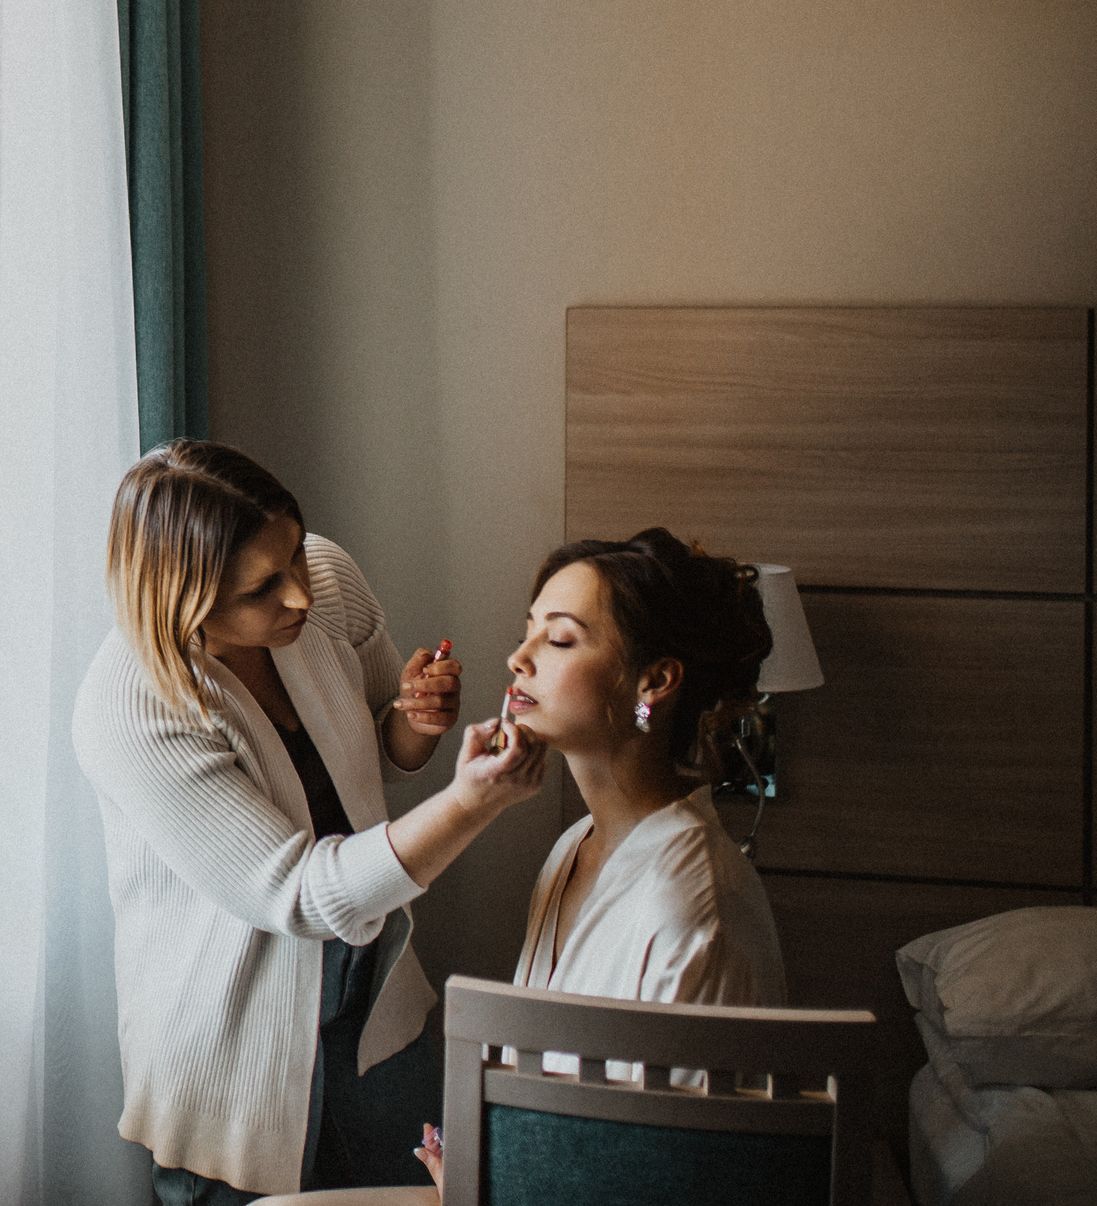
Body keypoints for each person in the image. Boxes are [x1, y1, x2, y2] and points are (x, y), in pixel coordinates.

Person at [72, 441, 547, 1205]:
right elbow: (298, 894)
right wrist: (474, 801)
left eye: (293, 552)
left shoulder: (323, 577)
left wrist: (416, 720)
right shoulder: (133, 706)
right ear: (184, 604)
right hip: (232, 1048)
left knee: (445, 1193)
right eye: (264, 588)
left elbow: (381, 748)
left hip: (374, 999)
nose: (301, 593)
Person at [411, 528, 785, 1187]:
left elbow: (670, 1179)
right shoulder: (574, 845)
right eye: (529, 631)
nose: (517, 657)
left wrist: (482, 1187)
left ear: (656, 679)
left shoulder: (692, 911)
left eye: (558, 639)